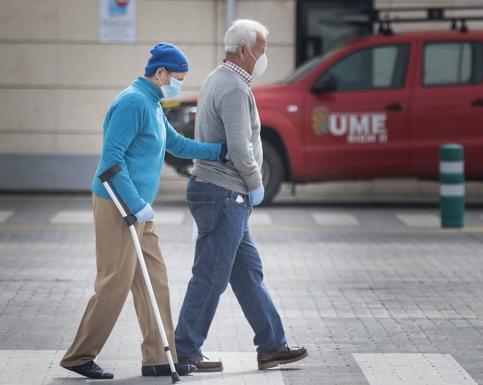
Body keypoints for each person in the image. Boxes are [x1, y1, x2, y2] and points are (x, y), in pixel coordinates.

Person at [60, 42, 228, 380]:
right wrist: (135, 206)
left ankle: (157, 358)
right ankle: (79, 355)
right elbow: (111, 161)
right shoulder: (132, 102)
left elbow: (176, 145)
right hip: (118, 205)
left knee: (155, 280)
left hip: (139, 210)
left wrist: (220, 151)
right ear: (160, 72)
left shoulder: (153, 104)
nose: (178, 84)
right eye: (177, 77)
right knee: (114, 282)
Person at [174, 19, 308, 372]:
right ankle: (186, 348)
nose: (264, 57)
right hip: (224, 193)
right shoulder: (233, 87)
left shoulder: (217, 78)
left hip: (221, 192)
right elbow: (239, 146)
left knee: (248, 273)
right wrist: (254, 181)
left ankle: (272, 346)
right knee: (211, 275)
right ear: (245, 50)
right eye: (261, 50)